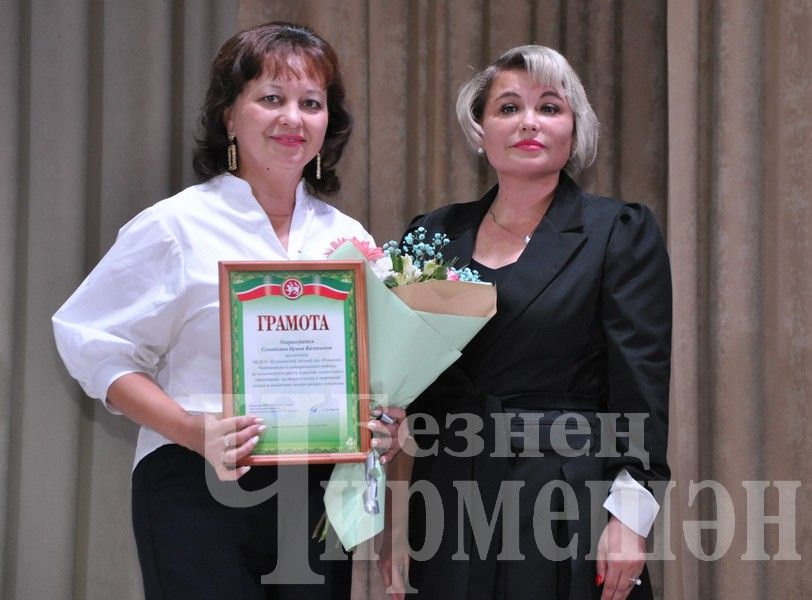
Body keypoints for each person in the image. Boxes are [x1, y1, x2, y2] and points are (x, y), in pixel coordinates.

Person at [53, 21, 402, 600]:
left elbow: (373, 369)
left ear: (327, 124)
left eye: (310, 103)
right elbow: (92, 345)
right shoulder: (174, 226)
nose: (293, 118)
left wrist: (378, 424)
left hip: (315, 494)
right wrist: (191, 429)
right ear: (229, 117)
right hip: (197, 484)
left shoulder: (349, 240)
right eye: (271, 99)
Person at [378, 45, 671, 600]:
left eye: (550, 107)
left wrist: (632, 520)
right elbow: (405, 397)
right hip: (448, 498)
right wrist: (394, 527)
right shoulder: (434, 235)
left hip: (567, 495)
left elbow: (642, 392)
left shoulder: (618, 231)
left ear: (574, 129)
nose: (529, 122)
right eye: (508, 107)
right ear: (480, 128)